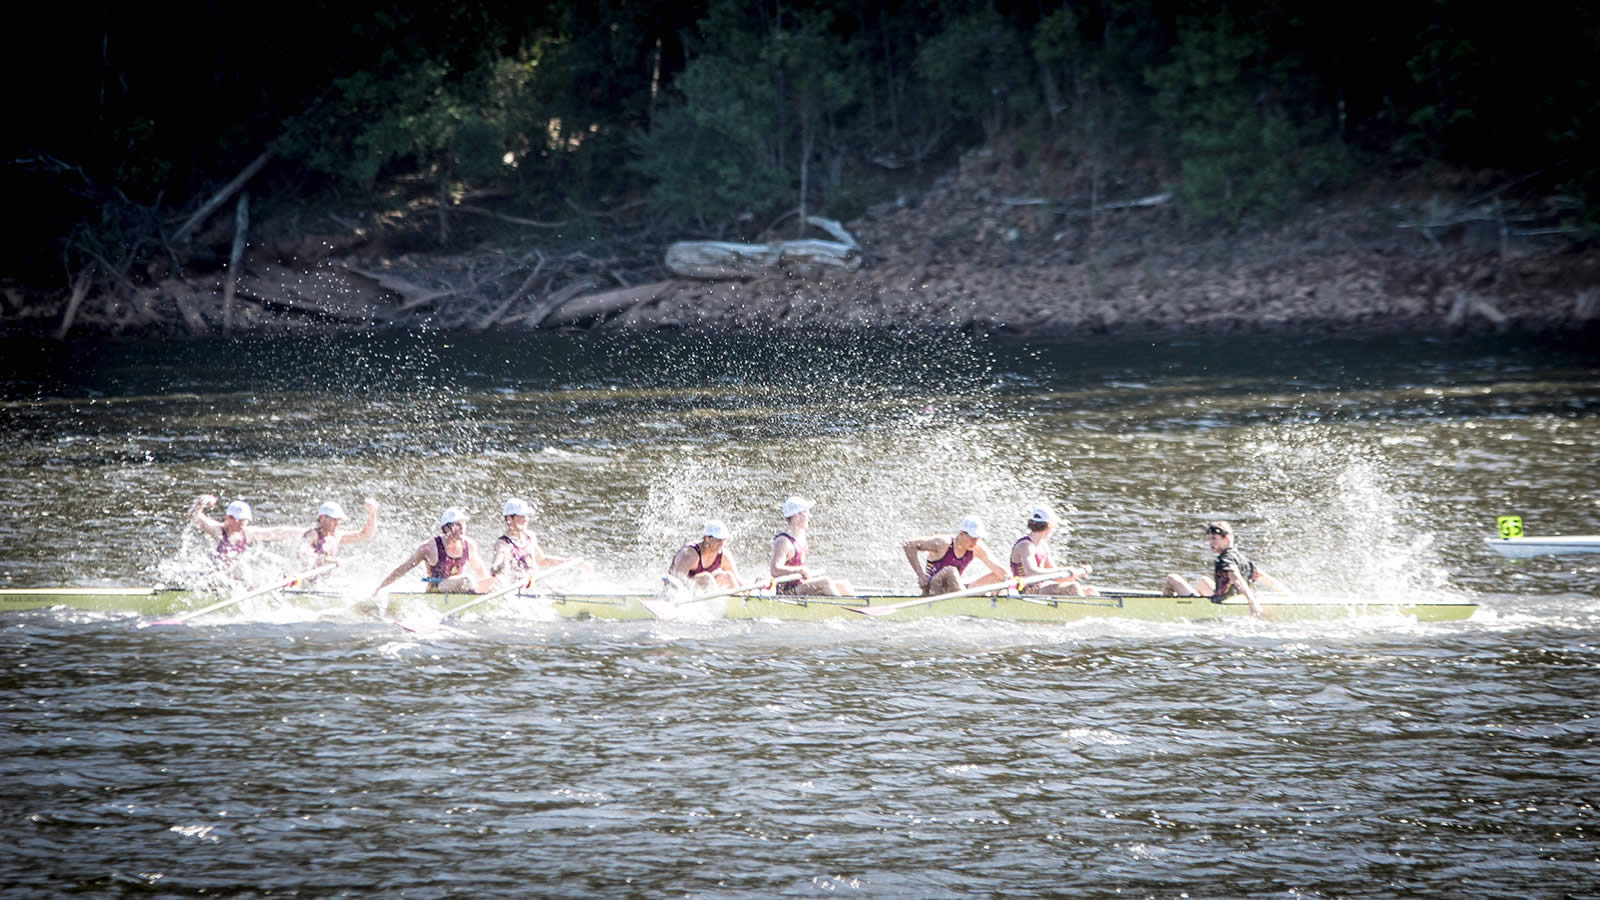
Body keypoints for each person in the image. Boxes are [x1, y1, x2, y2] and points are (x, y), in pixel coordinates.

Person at [1163, 520, 1289, 618]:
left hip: (1219, 604)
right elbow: (1264, 578)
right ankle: (1187, 606)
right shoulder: (1241, 558)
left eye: (1214, 539)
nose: (1210, 543)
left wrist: (1253, 603)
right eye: (1209, 539)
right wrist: (1288, 595)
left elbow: (1237, 579)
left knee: (1172, 578)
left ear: (1226, 538)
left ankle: (1165, 610)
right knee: (1203, 581)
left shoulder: (1225, 560)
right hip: (1232, 598)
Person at [372, 508, 494, 596]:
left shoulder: (469, 545)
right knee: (467, 580)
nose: (463, 529)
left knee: (495, 580)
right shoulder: (429, 548)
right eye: (458, 525)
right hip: (437, 589)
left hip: (459, 587)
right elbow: (404, 568)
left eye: (463, 524)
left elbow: (481, 571)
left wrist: (490, 584)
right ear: (447, 528)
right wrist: (379, 588)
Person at [187, 494, 303, 575]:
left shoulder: (246, 533)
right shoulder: (217, 530)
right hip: (214, 575)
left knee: (254, 568)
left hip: (234, 576)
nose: (242, 525)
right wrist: (201, 501)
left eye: (245, 522)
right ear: (229, 518)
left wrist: (306, 531)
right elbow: (193, 515)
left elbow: (277, 532)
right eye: (239, 521)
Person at [902, 516, 1011, 595]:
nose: (975, 542)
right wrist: (920, 574)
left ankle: (1000, 602)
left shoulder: (977, 547)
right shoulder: (943, 543)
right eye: (972, 538)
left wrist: (1010, 581)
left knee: (999, 576)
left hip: (955, 590)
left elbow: (998, 568)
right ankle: (964, 601)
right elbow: (909, 545)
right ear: (961, 533)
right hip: (933, 590)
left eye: (978, 538)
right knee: (950, 570)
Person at [769, 496, 854, 597]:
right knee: (825, 582)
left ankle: (858, 608)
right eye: (806, 512)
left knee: (843, 584)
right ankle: (842, 609)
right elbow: (775, 570)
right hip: (786, 592)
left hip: (799, 585)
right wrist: (800, 570)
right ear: (796, 516)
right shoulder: (783, 542)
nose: (810, 516)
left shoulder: (801, 537)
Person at [490, 497, 588, 580]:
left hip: (535, 584)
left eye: (526, 515)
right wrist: (499, 567)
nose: (525, 519)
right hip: (518, 589)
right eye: (521, 516)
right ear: (509, 519)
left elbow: (543, 560)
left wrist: (571, 562)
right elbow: (494, 568)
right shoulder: (503, 544)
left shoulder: (530, 537)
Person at [1009, 507, 1098, 596]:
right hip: (1027, 590)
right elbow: (1031, 572)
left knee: (1090, 590)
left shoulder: (1043, 545)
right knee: (1073, 587)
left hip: (1043, 586)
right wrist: (1063, 569)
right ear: (1049, 525)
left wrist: (1076, 574)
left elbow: (1055, 575)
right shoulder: (1026, 545)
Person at [300, 498, 380, 567]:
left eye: (338, 519)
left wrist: (372, 513)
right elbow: (302, 552)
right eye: (333, 519)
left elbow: (365, 535)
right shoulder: (313, 534)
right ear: (322, 518)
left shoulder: (336, 536)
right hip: (307, 583)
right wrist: (327, 559)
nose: (337, 523)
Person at [668, 520, 741, 591]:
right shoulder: (690, 555)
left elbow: (739, 582)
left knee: (728, 576)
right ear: (707, 538)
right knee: (707, 578)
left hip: (703, 589)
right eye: (718, 540)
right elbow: (674, 582)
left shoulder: (723, 556)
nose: (722, 544)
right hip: (685, 589)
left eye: (724, 540)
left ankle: (738, 600)